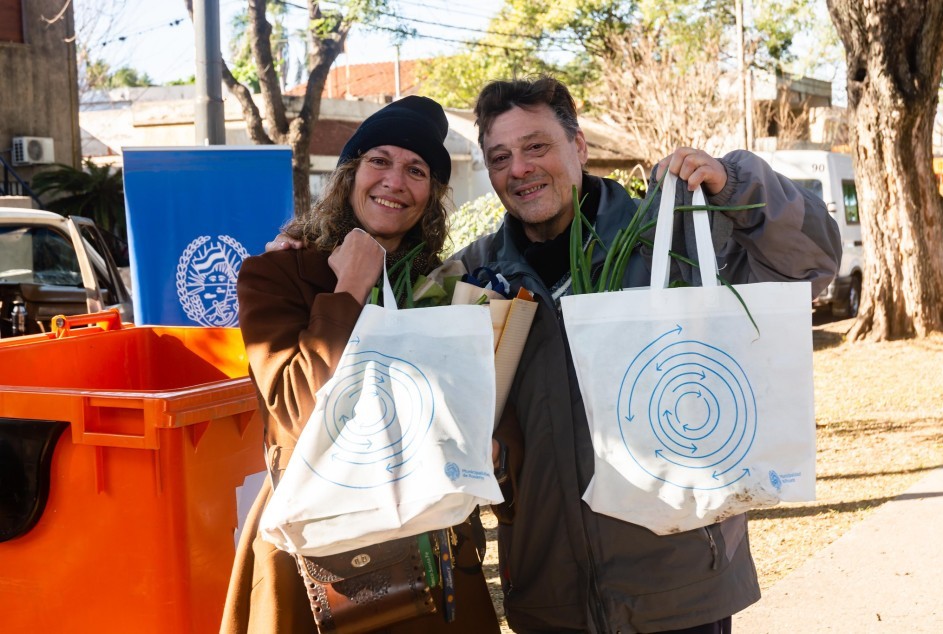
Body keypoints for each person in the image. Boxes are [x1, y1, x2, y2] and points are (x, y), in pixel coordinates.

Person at [269, 77, 842, 633]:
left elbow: (812, 261)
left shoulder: (669, 240)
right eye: (498, 157)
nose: (518, 168)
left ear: (579, 145)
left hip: (678, 585)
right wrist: (306, 260)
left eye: (536, 146)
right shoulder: (465, 280)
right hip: (548, 594)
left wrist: (738, 183)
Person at [222, 95, 502, 634]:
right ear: (350, 173)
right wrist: (348, 288)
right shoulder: (277, 275)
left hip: (429, 544)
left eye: (416, 170)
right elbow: (295, 411)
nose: (395, 181)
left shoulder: (441, 290)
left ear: (431, 197)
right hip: (320, 560)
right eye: (380, 160)